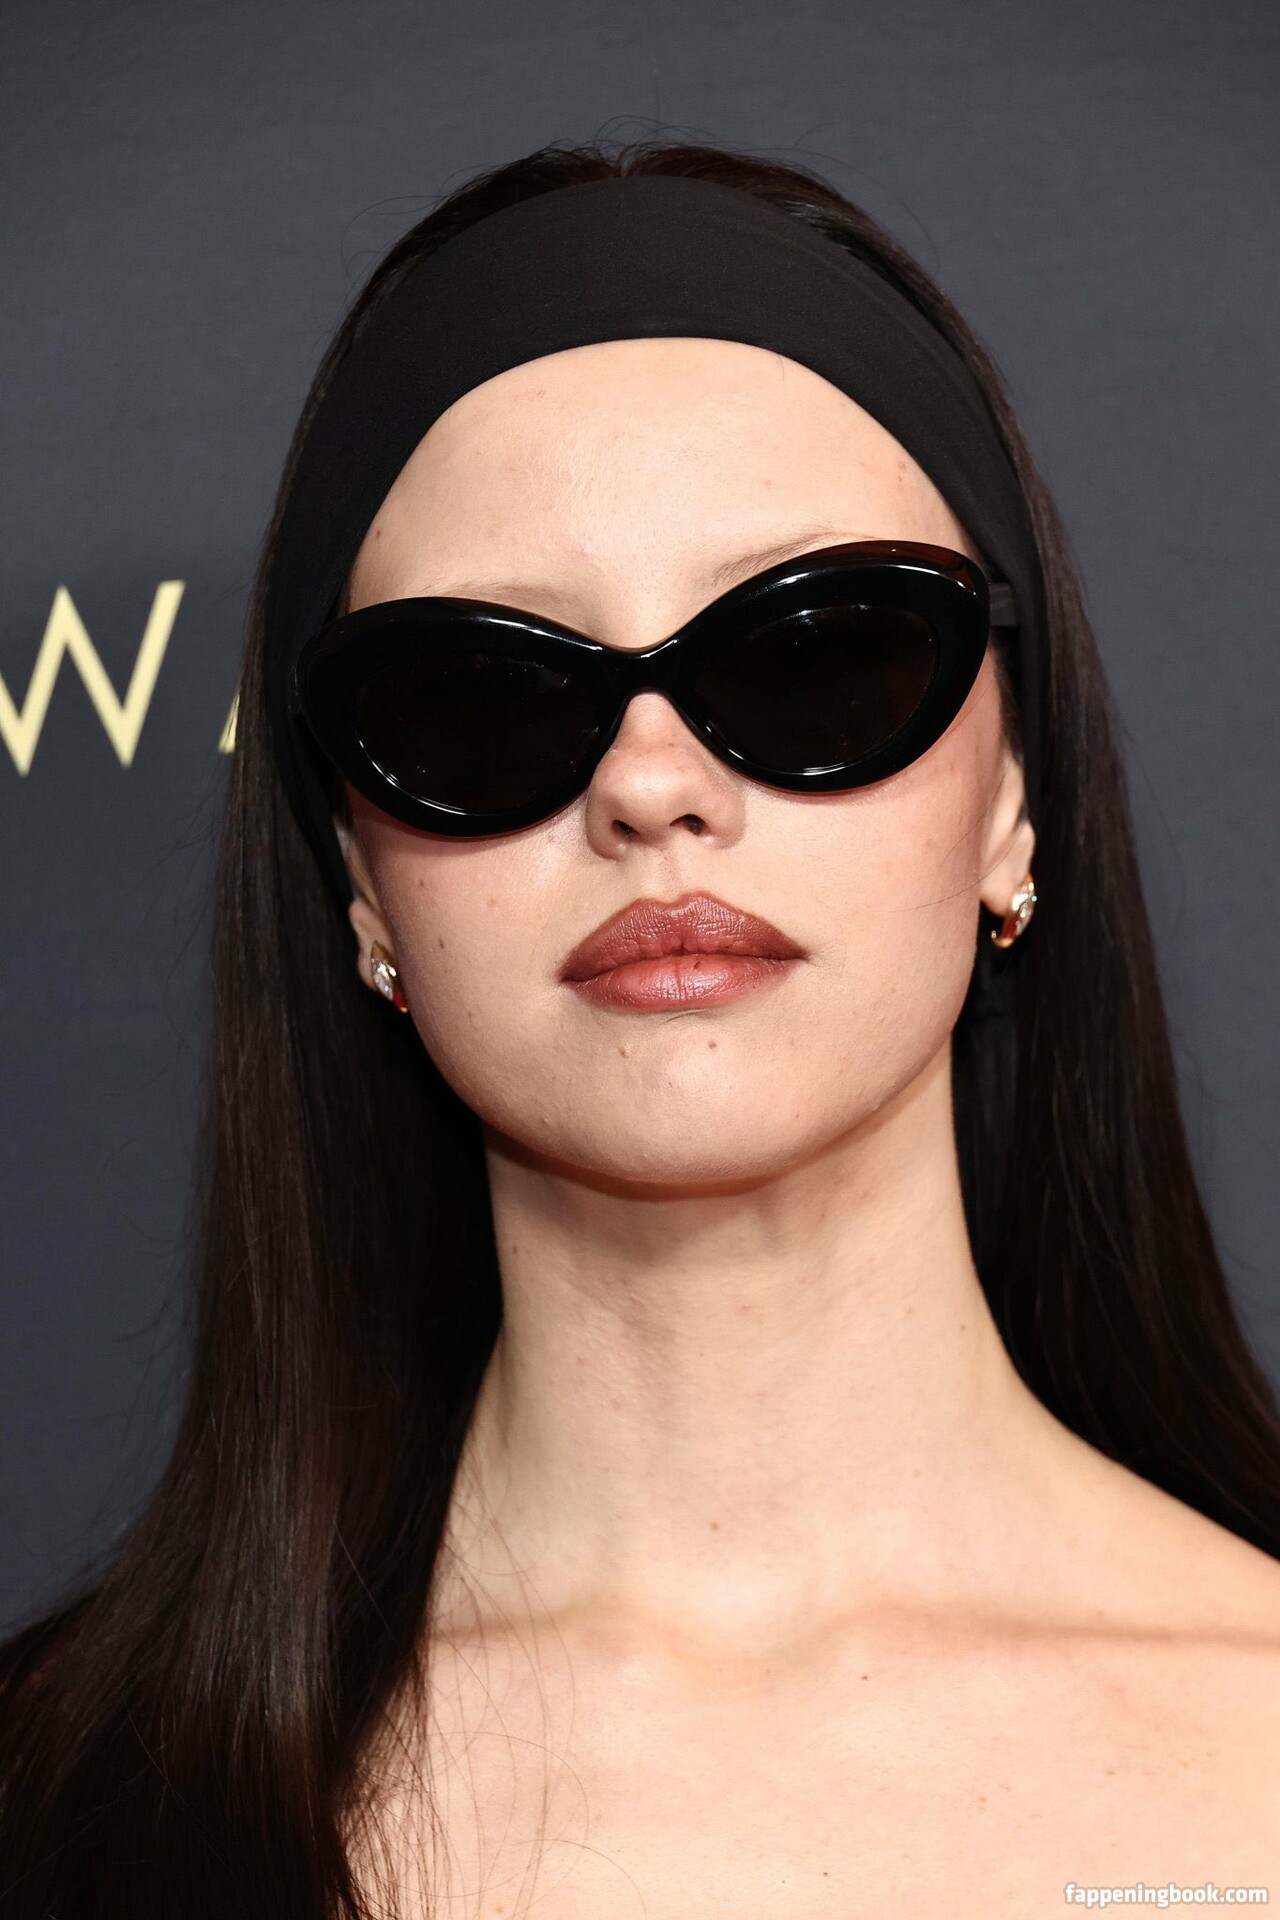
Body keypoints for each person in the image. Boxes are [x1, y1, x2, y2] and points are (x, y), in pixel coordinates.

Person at [2, 137, 1278, 1919]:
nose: (651, 784)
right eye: (483, 697)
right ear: (360, 883)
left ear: (1010, 799)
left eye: (816, 654)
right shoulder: (57, 1804)